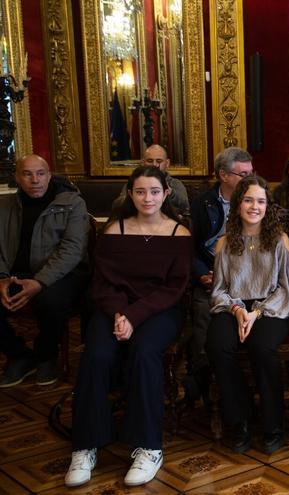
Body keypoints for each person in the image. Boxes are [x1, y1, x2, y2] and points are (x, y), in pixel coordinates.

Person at [66, 166, 191, 488]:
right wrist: (120, 314)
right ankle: (85, 445)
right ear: (130, 194)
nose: (147, 198)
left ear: (166, 194)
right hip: (112, 310)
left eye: (153, 191)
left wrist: (134, 317)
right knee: (96, 354)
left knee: (145, 351)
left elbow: (173, 289)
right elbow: (102, 284)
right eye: (140, 191)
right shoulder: (113, 231)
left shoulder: (179, 234)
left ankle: (148, 446)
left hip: (159, 311)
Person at [207, 176, 289, 455]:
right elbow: (218, 289)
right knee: (218, 346)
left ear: (268, 206)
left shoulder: (280, 240)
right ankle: (241, 419)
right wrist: (237, 310)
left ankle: (273, 424)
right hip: (232, 305)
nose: (254, 206)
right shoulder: (224, 243)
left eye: (260, 201)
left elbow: (285, 289)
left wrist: (256, 312)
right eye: (248, 200)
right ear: (238, 204)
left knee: (262, 347)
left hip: (270, 307)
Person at [0, 155, 89, 387]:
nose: (35, 180)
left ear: (49, 176)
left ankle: (46, 355)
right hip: (14, 274)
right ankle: (19, 355)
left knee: (51, 301)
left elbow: (72, 250)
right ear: (17, 177)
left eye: (40, 173)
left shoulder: (72, 203)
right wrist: (0, 278)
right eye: (27, 174)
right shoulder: (5, 206)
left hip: (60, 274)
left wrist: (39, 282)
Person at [186, 147, 254, 406]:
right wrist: (203, 274)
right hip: (211, 274)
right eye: (243, 174)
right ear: (224, 175)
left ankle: (240, 384)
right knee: (204, 312)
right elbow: (189, 249)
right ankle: (202, 380)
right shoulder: (202, 204)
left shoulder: (259, 201)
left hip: (248, 278)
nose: (249, 180)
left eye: (251, 173)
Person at [113, 144, 189, 214]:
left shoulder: (175, 183)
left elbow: (185, 207)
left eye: (159, 161)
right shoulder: (134, 183)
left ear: (167, 163)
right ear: (143, 163)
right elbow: (117, 206)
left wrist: (170, 192)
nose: (154, 165)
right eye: (150, 161)